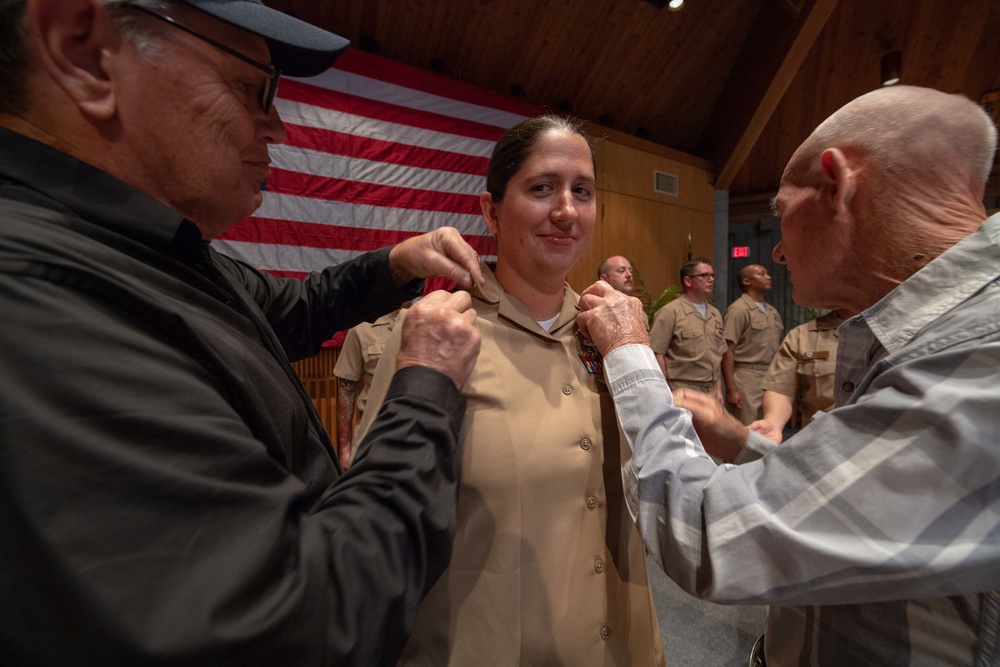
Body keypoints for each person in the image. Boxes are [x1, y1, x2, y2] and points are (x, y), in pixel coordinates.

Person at [0, 1, 488, 664]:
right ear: (83, 50)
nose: (279, 127)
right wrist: (427, 385)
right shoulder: (37, 304)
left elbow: (291, 309)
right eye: (252, 90)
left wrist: (396, 261)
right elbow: (306, 627)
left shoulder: (144, 249)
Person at [577, 85, 1000, 665]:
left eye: (781, 212)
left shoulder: (981, 352)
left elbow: (707, 533)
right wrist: (748, 448)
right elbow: (863, 504)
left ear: (837, 184)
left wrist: (628, 351)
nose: (775, 254)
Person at [362, 116, 665, 666]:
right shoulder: (440, 334)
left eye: (583, 191)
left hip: (622, 644)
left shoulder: (618, 334)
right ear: (491, 210)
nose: (567, 211)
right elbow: (377, 530)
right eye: (542, 188)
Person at [334, 304, 408, 468]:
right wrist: (344, 450)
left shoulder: (434, 322)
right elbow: (346, 391)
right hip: (371, 440)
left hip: (415, 440)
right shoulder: (362, 328)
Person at [755, 309, 848, 439]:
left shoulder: (883, 332)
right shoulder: (802, 336)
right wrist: (772, 424)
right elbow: (781, 388)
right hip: (821, 440)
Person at [648, 257, 725, 400]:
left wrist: (719, 389)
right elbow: (657, 352)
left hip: (711, 389)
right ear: (688, 281)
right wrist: (664, 390)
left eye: (712, 275)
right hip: (683, 388)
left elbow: (717, 354)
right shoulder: (671, 312)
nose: (711, 279)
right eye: (704, 275)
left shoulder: (715, 314)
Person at [721, 263, 783, 424]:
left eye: (767, 273)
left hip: (770, 375)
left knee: (769, 424)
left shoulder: (772, 312)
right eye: (761, 274)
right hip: (747, 376)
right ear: (747, 281)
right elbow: (727, 350)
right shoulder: (738, 310)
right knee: (747, 426)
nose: (768, 277)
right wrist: (731, 388)